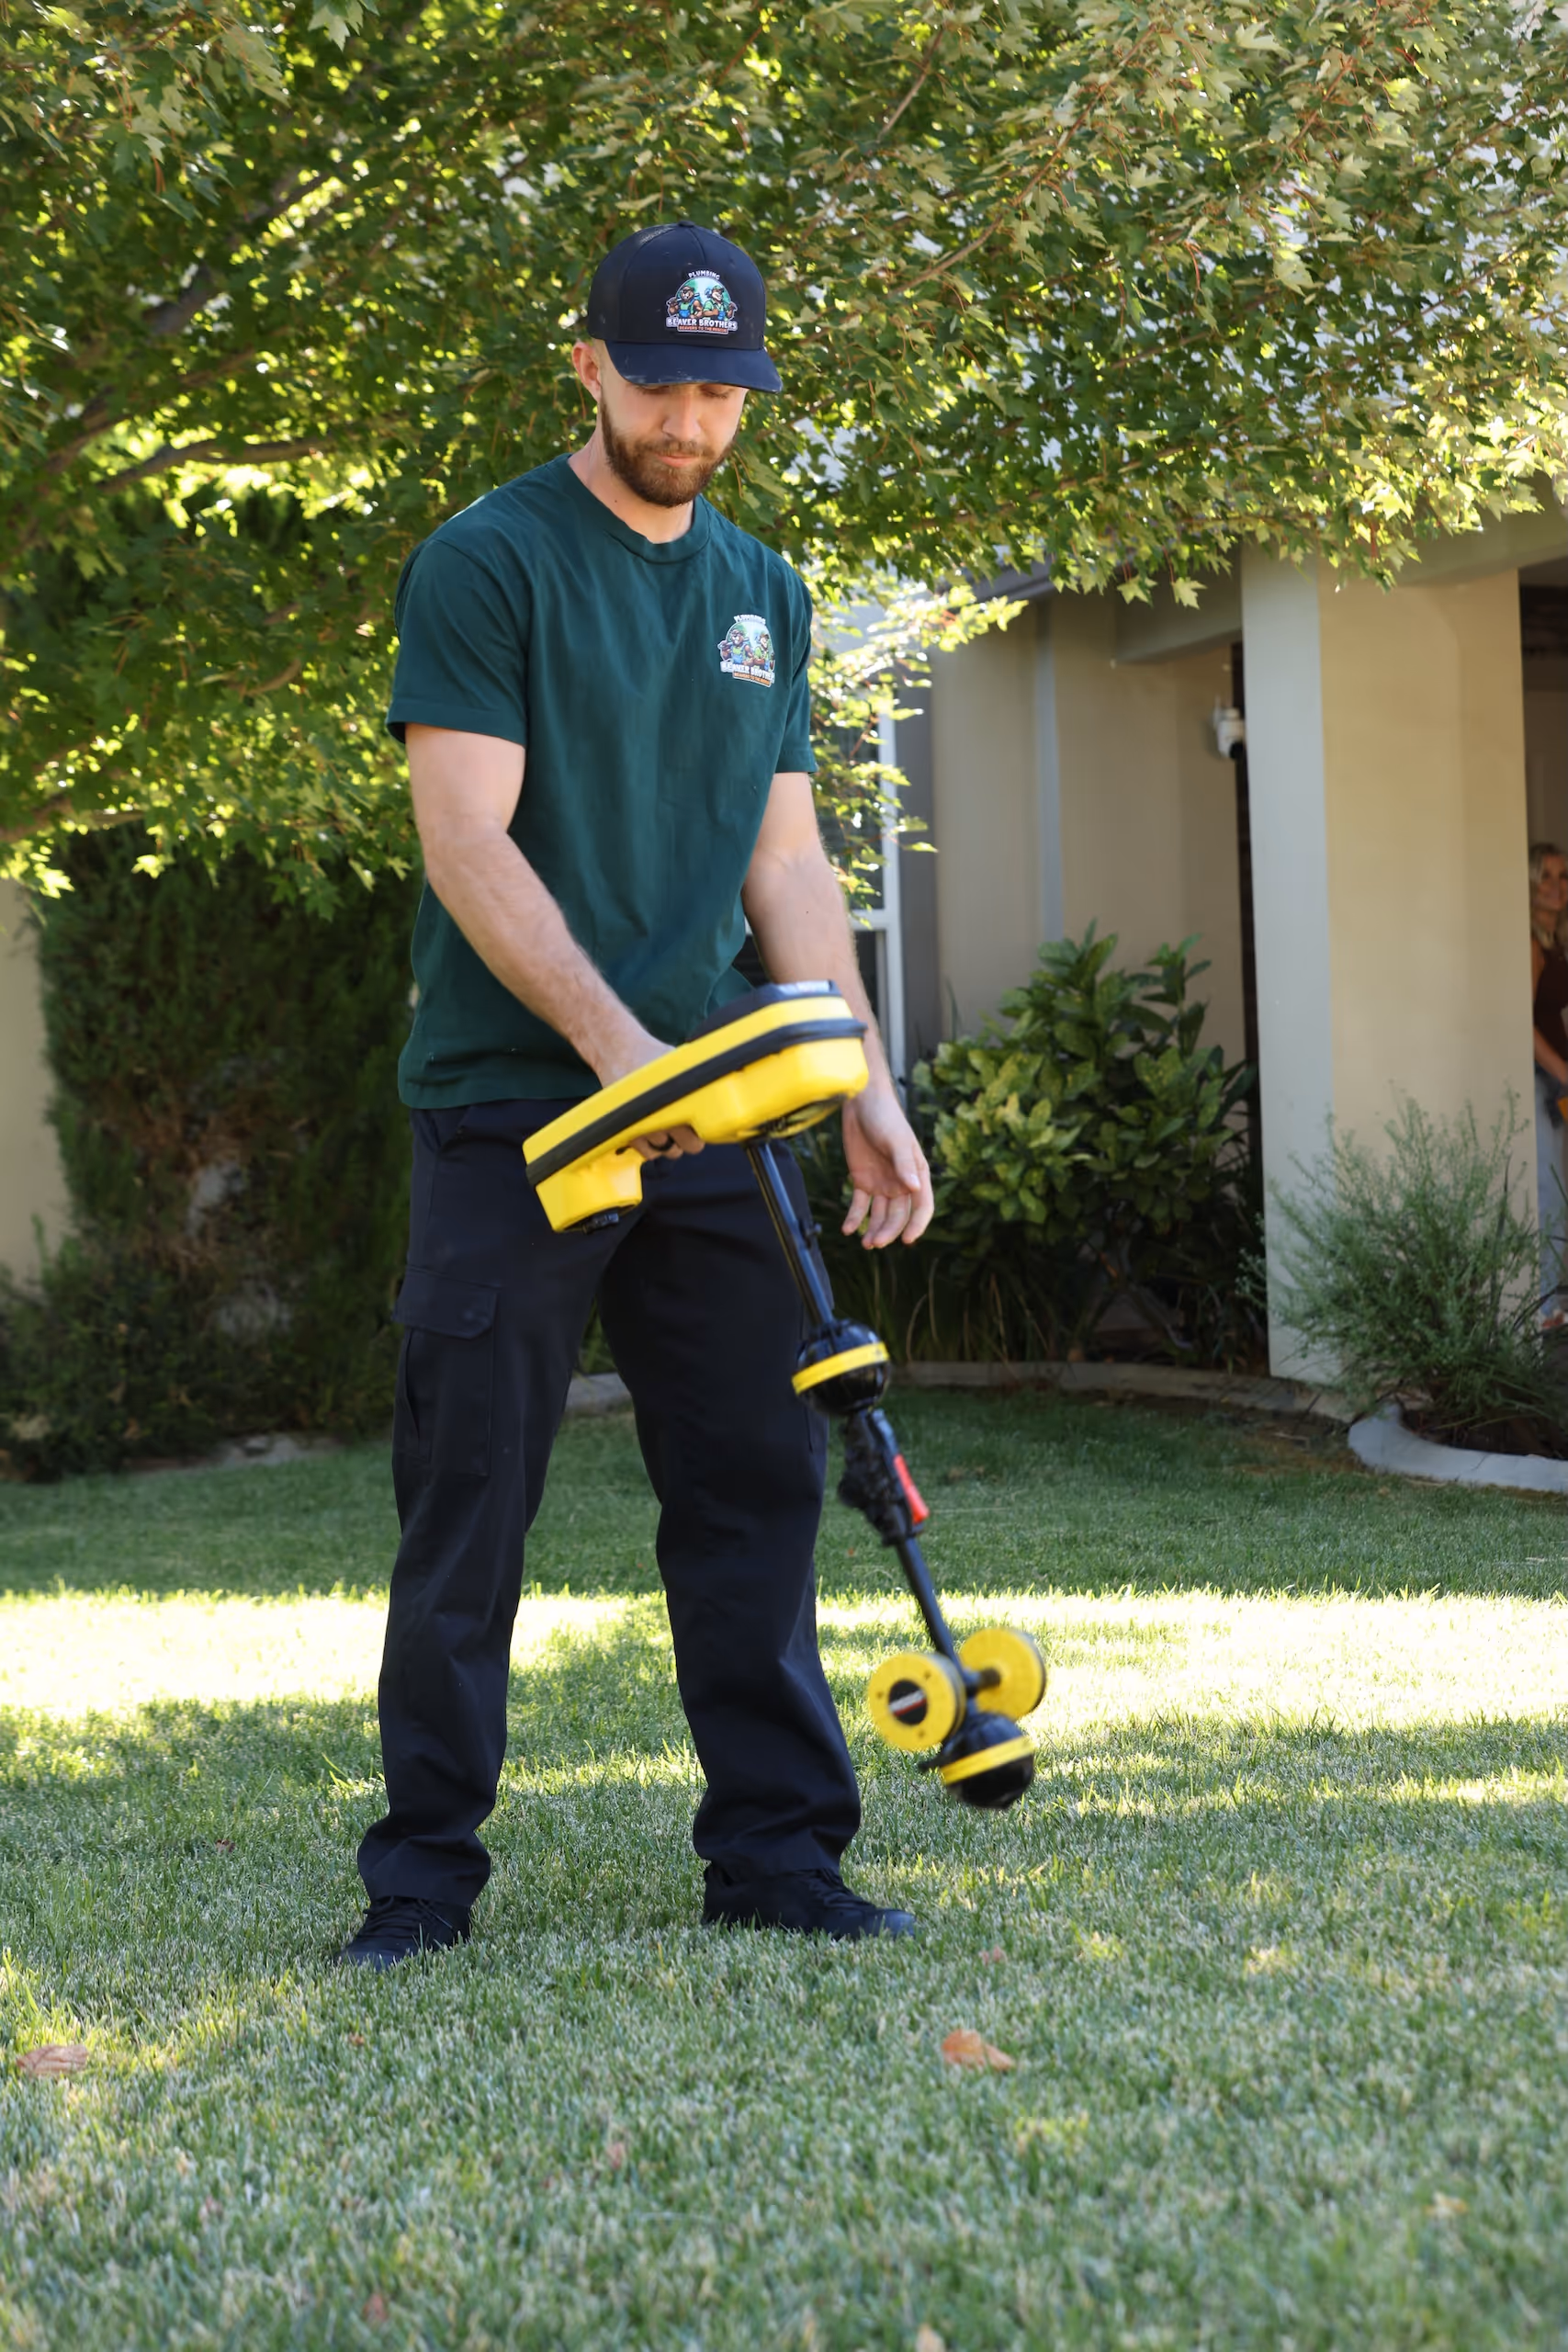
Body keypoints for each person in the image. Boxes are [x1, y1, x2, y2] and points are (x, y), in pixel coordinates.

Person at [336, 221, 934, 1970]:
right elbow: (466, 839)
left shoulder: (762, 590)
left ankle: (776, 1857)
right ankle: (421, 1883)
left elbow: (786, 862)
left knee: (754, 1482)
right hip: (515, 1116)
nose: (691, 417)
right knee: (472, 1501)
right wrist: (618, 1052)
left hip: (718, 1121)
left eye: (722, 388)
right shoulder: (490, 560)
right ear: (586, 364)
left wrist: (862, 1084)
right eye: (660, 380)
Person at [1529, 839, 1568, 1324]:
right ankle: (1544, 1307)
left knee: (1557, 1187)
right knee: (1546, 1188)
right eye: (1546, 877)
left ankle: (1553, 1303)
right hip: (1540, 1081)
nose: (1558, 887)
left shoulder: (1552, 941)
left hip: (1553, 1081)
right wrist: (1562, 1072)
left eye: (1563, 877)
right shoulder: (1529, 944)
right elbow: (1523, 1023)